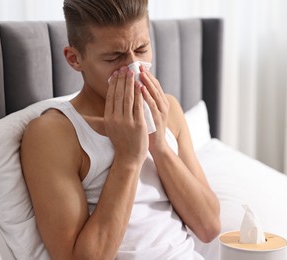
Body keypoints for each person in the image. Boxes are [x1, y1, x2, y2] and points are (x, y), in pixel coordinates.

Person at [20, 0, 221, 259]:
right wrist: (128, 158)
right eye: (114, 57)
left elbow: (209, 227)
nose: (134, 67)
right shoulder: (53, 134)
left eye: (142, 48)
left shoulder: (167, 110)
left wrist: (158, 145)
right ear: (74, 58)